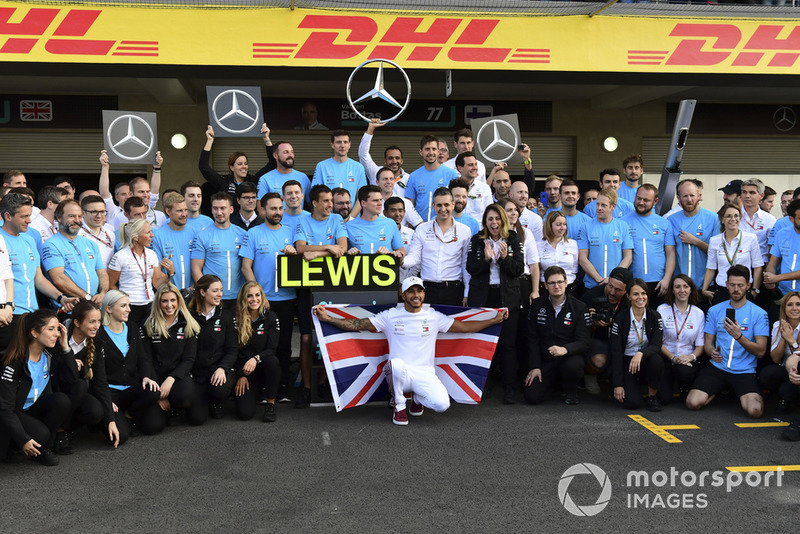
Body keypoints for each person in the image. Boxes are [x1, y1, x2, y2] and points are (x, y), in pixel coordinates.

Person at [313, 277, 507, 425]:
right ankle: (399, 406)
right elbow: (356, 324)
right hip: (398, 373)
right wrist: (328, 319)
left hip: (425, 373)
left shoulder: (434, 316)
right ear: (402, 294)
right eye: (411, 291)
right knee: (396, 364)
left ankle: (417, 398)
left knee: (442, 405)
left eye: (420, 291)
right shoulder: (389, 316)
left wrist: (494, 320)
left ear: (424, 293)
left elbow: (465, 328)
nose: (416, 295)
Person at [687, 265, 769, 418]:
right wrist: (712, 352)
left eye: (740, 285)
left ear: (748, 286)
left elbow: (761, 351)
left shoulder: (759, 313)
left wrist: (739, 337)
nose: (736, 289)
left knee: (755, 411)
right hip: (717, 368)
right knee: (692, 403)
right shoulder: (715, 310)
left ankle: (735, 392)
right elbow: (708, 344)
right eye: (732, 285)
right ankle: (718, 392)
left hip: (744, 371)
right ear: (726, 285)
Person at [240, 193, 299, 405]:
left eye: (280, 208)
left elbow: (304, 258)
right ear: (262, 210)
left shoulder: (291, 232)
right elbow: (246, 266)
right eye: (273, 208)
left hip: (287, 298)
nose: (277, 213)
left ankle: (282, 388)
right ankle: (260, 387)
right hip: (260, 301)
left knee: (283, 345)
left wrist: (295, 253)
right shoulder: (253, 233)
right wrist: (259, 295)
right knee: (258, 345)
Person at [0, 193, 79, 348]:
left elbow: (38, 278)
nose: (29, 220)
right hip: (8, 315)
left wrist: (61, 298)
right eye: (24, 216)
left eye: (29, 215)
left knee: (28, 365)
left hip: (32, 315)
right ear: (8, 216)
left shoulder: (29, 239)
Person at [294, 184, 347, 400]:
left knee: (330, 336)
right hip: (307, 287)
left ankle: (324, 383)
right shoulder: (302, 220)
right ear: (314, 203)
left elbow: (341, 248)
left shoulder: (337, 220)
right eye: (326, 201)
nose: (330, 205)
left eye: (331, 202)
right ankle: (307, 388)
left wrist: (316, 253)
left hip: (333, 287)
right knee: (306, 339)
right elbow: (299, 248)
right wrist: (327, 248)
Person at [466, 204, 524, 404]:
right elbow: (471, 268)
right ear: (485, 221)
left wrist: (503, 259)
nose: (494, 223)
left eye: (497, 219)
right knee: (483, 344)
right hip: (483, 298)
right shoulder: (477, 239)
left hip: (507, 298)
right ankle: (484, 385)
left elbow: (518, 269)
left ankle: (509, 388)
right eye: (490, 219)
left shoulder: (514, 239)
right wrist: (486, 260)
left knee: (508, 345)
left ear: (503, 221)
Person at [0, 310, 72, 466]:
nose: (57, 334)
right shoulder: (15, 361)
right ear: (34, 333)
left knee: (62, 401)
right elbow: (5, 408)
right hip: (13, 413)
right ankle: (16, 446)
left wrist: (66, 346)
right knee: (41, 433)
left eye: (57, 329)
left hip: (32, 409)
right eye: (51, 329)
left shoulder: (50, 353)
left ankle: (43, 449)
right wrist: (23, 439)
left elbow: (71, 379)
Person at [57, 300, 122, 450]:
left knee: (96, 411)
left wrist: (110, 419)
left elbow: (100, 381)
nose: (96, 326)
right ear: (77, 323)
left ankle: (69, 428)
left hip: (79, 395)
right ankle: (59, 431)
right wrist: (69, 359)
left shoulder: (96, 343)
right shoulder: (59, 337)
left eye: (98, 321)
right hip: (58, 393)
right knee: (78, 386)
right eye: (92, 321)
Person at [95, 290, 161, 435]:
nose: (129, 309)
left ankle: (129, 415)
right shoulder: (99, 333)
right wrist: (106, 401)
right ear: (109, 309)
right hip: (111, 392)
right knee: (122, 436)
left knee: (154, 425)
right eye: (123, 306)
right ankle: (108, 421)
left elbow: (143, 358)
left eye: (129, 305)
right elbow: (97, 374)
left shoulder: (132, 327)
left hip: (131, 389)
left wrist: (146, 377)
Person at [523, 266, 592, 405]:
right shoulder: (537, 305)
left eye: (560, 282)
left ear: (566, 283)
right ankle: (553, 385)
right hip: (545, 359)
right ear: (545, 285)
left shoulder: (579, 307)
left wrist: (565, 349)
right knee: (532, 397)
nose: (556, 286)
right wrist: (535, 366)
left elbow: (584, 342)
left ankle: (570, 389)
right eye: (552, 283)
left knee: (573, 365)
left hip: (568, 357)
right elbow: (532, 339)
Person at [140, 283, 199, 431]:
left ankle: (176, 408)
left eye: (173, 300)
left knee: (184, 397)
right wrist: (159, 393)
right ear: (158, 302)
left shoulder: (188, 323)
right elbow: (145, 359)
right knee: (152, 427)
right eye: (164, 301)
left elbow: (189, 360)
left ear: (178, 301)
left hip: (177, 377)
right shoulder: (148, 324)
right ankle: (160, 406)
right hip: (155, 378)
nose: (169, 305)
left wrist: (170, 380)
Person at [403, 187, 470, 306]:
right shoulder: (422, 229)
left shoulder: (464, 231)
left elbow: (465, 264)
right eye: (439, 205)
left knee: (453, 325)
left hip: (454, 289)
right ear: (433, 206)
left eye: (446, 205)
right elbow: (414, 257)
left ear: (453, 205)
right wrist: (401, 260)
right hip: (427, 289)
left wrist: (466, 292)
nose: (443, 209)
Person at [187, 275, 237, 424]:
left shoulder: (226, 316)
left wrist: (223, 368)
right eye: (215, 291)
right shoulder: (189, 316)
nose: (220, 294)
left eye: (221, 290)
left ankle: (217, 400)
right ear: (203, 292)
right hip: (197, 374)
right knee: (197, 419)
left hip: (218, 371)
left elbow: (232, 349)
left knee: (219, 389)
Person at [610, 278, 665, 411]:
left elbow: (656, 345)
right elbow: (615, 352)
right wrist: (617, 384)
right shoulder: (621, 318)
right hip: (627, 362)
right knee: (632, 403)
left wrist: (641, 353)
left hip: (646, 359)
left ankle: (652, 396)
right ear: (628, 296)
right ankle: (631, 386)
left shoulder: (655, 316)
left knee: (657, 361)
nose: (640, 297)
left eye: (643, 293)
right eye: (635, 294)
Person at [41, 199, 109, 307]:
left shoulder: (90, 244)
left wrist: (103, 293)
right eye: (71, 216)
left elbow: (101, 273)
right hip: (70, 309)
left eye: (79, 216)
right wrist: (87, 297)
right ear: (58, 218)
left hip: (94, 306)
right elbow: (59, 279)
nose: (76, 220)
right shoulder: (51, 245)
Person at [191, 192, 247, 313]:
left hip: (238, 297)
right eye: (215, 208)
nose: (219, 212)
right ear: (211, 209)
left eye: (223, 208)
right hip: (213, 299)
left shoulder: (243, 234)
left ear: (231, 209)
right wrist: (206, 294)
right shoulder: (202, 236)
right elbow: (196, 269)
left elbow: (248, 265)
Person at [108, 218, 171, 326]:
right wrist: (122, 303)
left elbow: (156, 283)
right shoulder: (120, 256)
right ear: (135, 237)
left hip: (150, 305)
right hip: (129, 306)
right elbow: (110, 284)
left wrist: (170, 274)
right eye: (148, 232)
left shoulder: (151, 254)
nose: (152, 235)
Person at [233, 281, 280, 423]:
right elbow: (231, 350)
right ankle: (256, 392)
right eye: (250, 296)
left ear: (262, 296)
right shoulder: (235, 318)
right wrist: (240, 375)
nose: (254, 299)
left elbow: (272, 349)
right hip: (245, 373)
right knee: (245, 414)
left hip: (263, 366)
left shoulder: (270, 317)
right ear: (243, 298)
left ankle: (270, 404)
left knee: (273, 361)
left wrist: (256, 358)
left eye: (257, 295)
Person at [581, 267, 632, 395]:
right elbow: (578, 329)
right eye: (610, 286)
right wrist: (590, 321)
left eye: (618, 290)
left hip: (622, 339)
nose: (612, 292)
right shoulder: (591, 296)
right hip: (597, 338)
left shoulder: (630, 300)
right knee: (599, 360)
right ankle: (589, 375)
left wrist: (613, 324)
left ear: (627, 291)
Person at [656, 275, 706, 404]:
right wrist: (673, 357)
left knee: (684, 372)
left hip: (686, 360)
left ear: (691, 289)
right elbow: (657, 341)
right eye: (677, 287)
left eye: (685, 286)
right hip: (666, 358)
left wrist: (691, 357)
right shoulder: (662, 310)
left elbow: (700, 345)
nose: (682, 290)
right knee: (664, 399)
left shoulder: (698, 313)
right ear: (672, 290)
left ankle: (684, 387)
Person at [623, 184, 676, 303]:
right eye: (639, 198)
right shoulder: (622, 223)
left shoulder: (664, 223)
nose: (641, 202)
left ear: (655, 201)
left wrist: (667, 279)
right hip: (633, 282)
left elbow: (670, 253)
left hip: (658, 283)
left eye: (646, 200)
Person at [702, 203, 763, 306]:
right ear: (722, 219)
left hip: (744, 290)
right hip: (722, 290)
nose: (733, 219)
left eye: (736, 216)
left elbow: (757, 266)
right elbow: (711, 268)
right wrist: (704, 289)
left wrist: (755, 291)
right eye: (728, 216)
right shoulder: (714, 241)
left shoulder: (751, 238)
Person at [199, 123, 273, 201]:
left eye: (246, 163)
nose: (244, 166)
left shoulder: (253, 181)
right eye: (239, 164)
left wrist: (266, 138)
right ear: (232, 167)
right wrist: (210, 140)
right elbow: (203, 167)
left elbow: (272, 164)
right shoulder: (224, 182)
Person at [669, 179, 720, 290]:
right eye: (685, 196)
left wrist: (695, 241)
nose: (689, 200)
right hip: (679, 286)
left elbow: (717, 253)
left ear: (699, 196)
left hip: (705, 285)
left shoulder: (713, 218)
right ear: (678, 198)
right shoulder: (671, 220)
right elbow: (668, 253)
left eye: (692, 195)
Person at [578, 188, 633, 290]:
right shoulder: (585, 226)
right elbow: (582, 258)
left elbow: (628, 257)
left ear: (613, 206)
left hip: (616, 287)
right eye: (597, 204)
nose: (599, 208)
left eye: (603, 205)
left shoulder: (623, 226)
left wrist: (612, 280)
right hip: (592, 286)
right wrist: (600, 280)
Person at [759, 291, 800, 412]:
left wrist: (791, 340)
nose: (794, 308)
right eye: (790, 305)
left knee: (786, 391)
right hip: (786, 369)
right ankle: (783, 396)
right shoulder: (778, 325)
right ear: (784, 308)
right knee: (767, 373)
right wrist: (783, 336)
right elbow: (776, 358)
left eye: (798, 304)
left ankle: (788, 397)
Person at [312, 130, 367, 217]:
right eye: (338, 142)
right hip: (328, 218)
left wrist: (351, 218)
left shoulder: (358, 167)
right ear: (332, 145)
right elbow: (316, 195)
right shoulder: (322, 166)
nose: (342, 145)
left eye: (345, 142)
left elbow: (362, 197)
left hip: (352, 220)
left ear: (350, 144)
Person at [405, 135, 459, 222]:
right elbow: (409, 205)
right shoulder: (413, 176)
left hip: (445, 225)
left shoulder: (451, 174)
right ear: (420, 152)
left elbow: (456, 202)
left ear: (438, 151)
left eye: (434, 149)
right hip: (421, 227)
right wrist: (416, 223)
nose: (431, 152)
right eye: (427, 149)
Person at [152, 193, 197, 291]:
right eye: (179, 211)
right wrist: (171, 289)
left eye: (185, 210)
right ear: (168, 211)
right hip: (170, 292)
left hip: (193, 292)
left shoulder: (195, 233)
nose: (184, 214)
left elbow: (201, 264)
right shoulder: (158, 236)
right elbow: (157, 270)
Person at [345, 185, 405, 258]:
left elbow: (401, 251)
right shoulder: (348, 226)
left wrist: (392, 254)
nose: (380, 203)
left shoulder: (390, 223)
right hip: (360, 268)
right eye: (375, 200)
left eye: (380, 200)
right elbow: (341, 253)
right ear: (363, 203)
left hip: (385, 268)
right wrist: (348, 254)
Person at [764, 199, 800, 298]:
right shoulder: (782, 234)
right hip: (784, 294)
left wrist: (777, 278)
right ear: (792, 219)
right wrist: (769, 277)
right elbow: (772, 263)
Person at [358, 119, 409, 188]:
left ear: (402, 161)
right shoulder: (375, 172)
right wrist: (370, 129)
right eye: (390, 158)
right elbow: (363, 154)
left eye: (397, 158)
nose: (394, 161)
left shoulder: (409, 179)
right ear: (385, 161)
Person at [539, 211, 580, 294]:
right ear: (549, 226)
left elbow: (574, 269)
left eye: (564, 224)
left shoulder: (572, 244)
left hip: (569, 287)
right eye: (558, 224)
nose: (562, 228)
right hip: (546, 289)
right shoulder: (538, 245)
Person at [740, 178, 776, 265]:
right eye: (744, 192)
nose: (747, 196)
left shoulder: (770, 219)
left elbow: (772, 248)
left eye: (752, 193)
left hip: (760, 265)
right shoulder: (733, 216)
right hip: (736, 265)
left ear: (761, 195)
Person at [454, 151, 492, 222]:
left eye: (475, 164)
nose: (475, 168)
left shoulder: (485, 188)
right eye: (470, 165)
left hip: (479, 231)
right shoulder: (450, 188)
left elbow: (490, 213)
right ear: (460, 168)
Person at [79, 194, 115, 267]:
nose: (99, 216)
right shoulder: (76, 234)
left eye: (102, 212)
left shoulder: (110, 234)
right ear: (83, 213)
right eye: (94, 212)